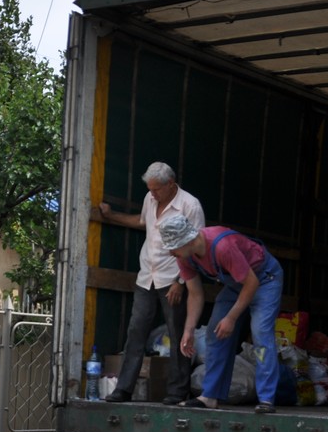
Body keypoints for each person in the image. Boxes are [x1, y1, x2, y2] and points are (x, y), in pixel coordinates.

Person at [99, 162, 205, 405]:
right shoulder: (151, 198)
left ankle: (177, 391)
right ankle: (123, 389)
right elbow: (141, 221)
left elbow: (197, 246)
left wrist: (180, 281)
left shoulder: (190, 205)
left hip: (173, 278)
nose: (152, 194)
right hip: (147, 276)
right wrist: (111, 215)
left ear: (171, 184)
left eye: (156, 189)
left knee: (177, 334)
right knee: (135, 332)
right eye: (150, 189)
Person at [158, 214, 283, 414]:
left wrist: (231, 318)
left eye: (173, 247)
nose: (171, 253)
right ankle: (210, 396)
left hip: (264, 279)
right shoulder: (185, 257)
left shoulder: (222, 246)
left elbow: (251, 283)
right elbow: (195, 294)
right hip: (236, 284)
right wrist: (189, 331)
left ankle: (266, 399)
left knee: (260, 333)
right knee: (215, 333)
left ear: (187, 241)